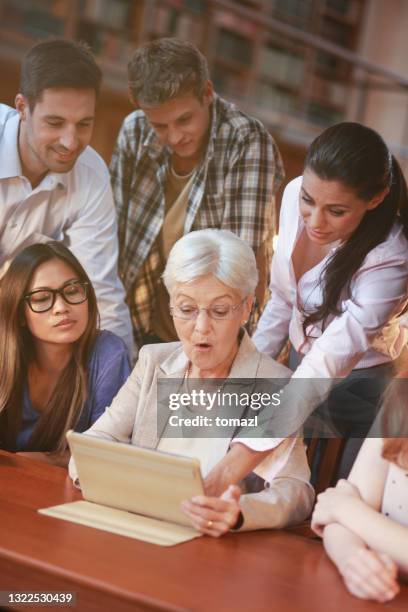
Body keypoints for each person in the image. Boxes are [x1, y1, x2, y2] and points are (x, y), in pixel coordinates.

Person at [69, 230, 314, 536]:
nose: (201, 328)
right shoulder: (153, 362)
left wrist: (240, 513)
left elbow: (296, 491)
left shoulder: (276, 385)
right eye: (186, 309)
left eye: (220, 311)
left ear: (247, 307)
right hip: (136, 530)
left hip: (214, 547)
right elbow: (94, 445)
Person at [111, 37, 284, 350]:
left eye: (184, 120)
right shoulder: (134, 131)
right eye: (160, 125)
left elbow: (239, 267)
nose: (174, 136)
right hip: (137, 325)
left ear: (207, 93)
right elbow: (114, 237)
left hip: (212, 336)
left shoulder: (246, 141)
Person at [252, 122, 408, 459]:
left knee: (331, 493)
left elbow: (336, 350)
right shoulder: (294, 195)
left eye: (336, 211)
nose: (315, 221)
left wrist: (271, 421)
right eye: (309, 200)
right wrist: (249, 373)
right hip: (301, 363)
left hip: (362, 384)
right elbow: (282, 298)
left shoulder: (389, 256)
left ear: (375, 199)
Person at [0, 38, 132, 354]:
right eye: (55, 123)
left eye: (84, 124)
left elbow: (100, 290)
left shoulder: (91, 175)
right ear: (22, 108)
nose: (70, 142)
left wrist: (129, 379)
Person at [0, 242, 131, 466]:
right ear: (19, 314)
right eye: (41, 298)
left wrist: (29, 460)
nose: (61, 307)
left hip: (72, 490)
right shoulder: (4, 353)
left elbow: (109, 455)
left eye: (72, 291)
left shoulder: (109, 353)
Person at [311, 372, 408, 603]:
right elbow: (338, 519)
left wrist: (348, 510)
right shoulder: (402, 393)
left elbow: (340, 505)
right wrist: (353, 560)